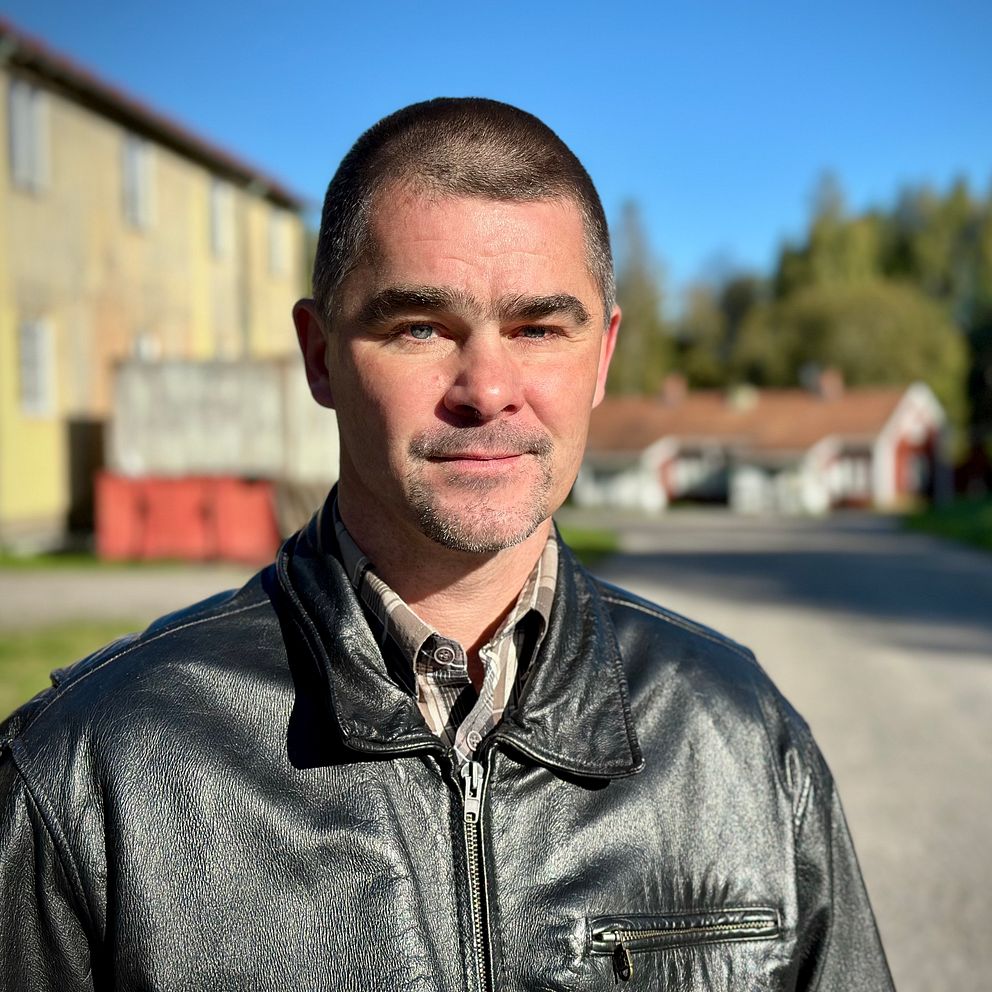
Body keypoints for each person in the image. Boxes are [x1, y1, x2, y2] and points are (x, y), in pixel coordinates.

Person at [0, 98, 893, 991]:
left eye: (539, 328)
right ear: (320, 355)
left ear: (602, 356)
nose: (488, 389)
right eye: (420, 327)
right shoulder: (91, 771)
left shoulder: (742, 736)